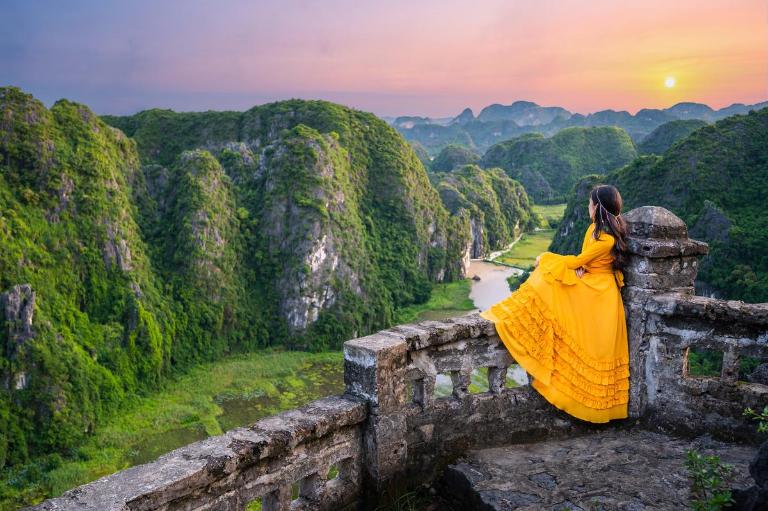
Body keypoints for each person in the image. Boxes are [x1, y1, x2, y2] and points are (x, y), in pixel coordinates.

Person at [479, 184, 629, 423]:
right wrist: (579, 266)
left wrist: (547, 258)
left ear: (598, 207)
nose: (588, 208)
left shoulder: (607, 240)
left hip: (601, 293)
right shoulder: (593, 230)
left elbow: (581, 259)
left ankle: (596, 408)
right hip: (590, 282)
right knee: (550, 278)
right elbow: (584, 262)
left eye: (590, 204)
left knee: (548, 274)